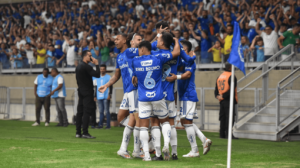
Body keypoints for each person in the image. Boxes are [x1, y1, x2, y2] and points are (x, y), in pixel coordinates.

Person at [131, 39, 180, 161]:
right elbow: (176, 52)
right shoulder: (158, 58)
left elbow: (134, 78)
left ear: (142, 49)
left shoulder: (135, 61)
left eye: (139, 49)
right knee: (165, 122)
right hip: (158, 96)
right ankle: (166, 145)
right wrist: (176, 40)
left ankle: (147, 155)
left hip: (143, 98)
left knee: (144, 126)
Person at [99, 33, 143, 159]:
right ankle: (138, 143)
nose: (115, 40)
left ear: (125, 41)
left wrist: (157, 36)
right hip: (127, 92)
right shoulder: (119, 57)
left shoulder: (130, 51)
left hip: (134, 89)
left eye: (117, 39)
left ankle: (131, 149)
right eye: (115, 39)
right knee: (120, 117)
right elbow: (116, 75)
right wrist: (107, 85)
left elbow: (145, 49)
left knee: (134, 120)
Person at [166, 40, 212, 157]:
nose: (182, 53)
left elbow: (188, 75)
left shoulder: (190, 62)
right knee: (185, 121)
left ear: (189, 51)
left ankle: (195, 150)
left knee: (186, 123)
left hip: (188, 95)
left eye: (184, 51)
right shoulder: (181, 60)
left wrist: (176, 76)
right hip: (183, 96)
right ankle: (203, 139)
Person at [75, 50, 100, 139]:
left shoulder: (78, 67)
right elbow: (97, 74)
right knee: (86, 112)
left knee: (80, 112)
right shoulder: (87, 67)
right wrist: (96, 64)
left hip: (80, 90)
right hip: (87, 91)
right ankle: (85, 132)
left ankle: (78, 132)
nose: (91, 57)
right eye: (90, 55)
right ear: (85, 56)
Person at [214, 63, 238, 139]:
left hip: (221, 100)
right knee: (230, 117)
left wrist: (218, 96)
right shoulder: (232, 76)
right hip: (229, 100)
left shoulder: (220, 76)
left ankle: (222, 134)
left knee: (222, 117)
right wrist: (224, 96)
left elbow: (216, 89)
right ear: (231, 67)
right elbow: (231, 90)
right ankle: (229, 134)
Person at [93, 64, 112, 129]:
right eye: (101, 69)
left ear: (105, 69)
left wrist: (110, 95)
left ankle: (108, 126)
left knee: (106, 111)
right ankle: (100, 125)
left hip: (106, 96)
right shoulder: (97, 77)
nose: (102, 70)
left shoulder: (108, 77)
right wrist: (95, 96)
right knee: (101, 111)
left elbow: (111, 86)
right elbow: (95, 87)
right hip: (99, 96)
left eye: (103, 69)